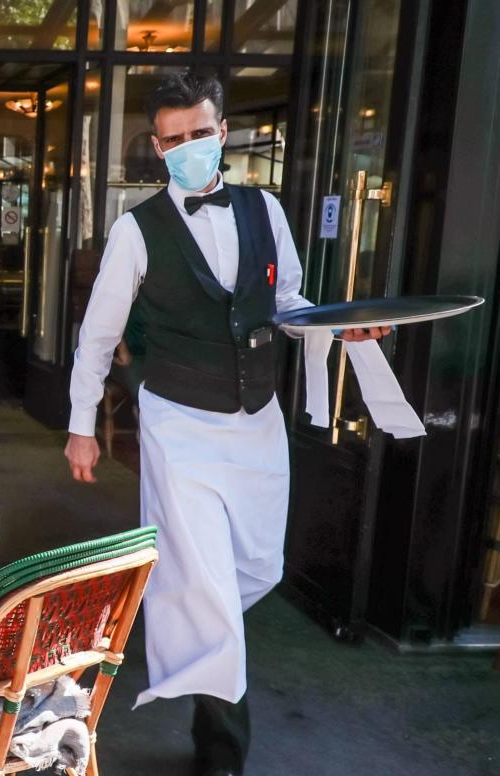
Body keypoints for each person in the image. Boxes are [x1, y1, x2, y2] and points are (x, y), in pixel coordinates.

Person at [63, 72, 388, 776]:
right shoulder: (135, 229)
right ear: (157, 145)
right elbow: (96, 336)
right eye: (173, 139)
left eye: (200, 134)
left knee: (254, 568)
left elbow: (291, 304)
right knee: (206, 585)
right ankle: (223, 748)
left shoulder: (265, 210)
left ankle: (187, 639)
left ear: (222, 132)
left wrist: (346, 329)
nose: (189, 148)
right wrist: (80, 425)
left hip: (256, 424)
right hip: (178, 427)